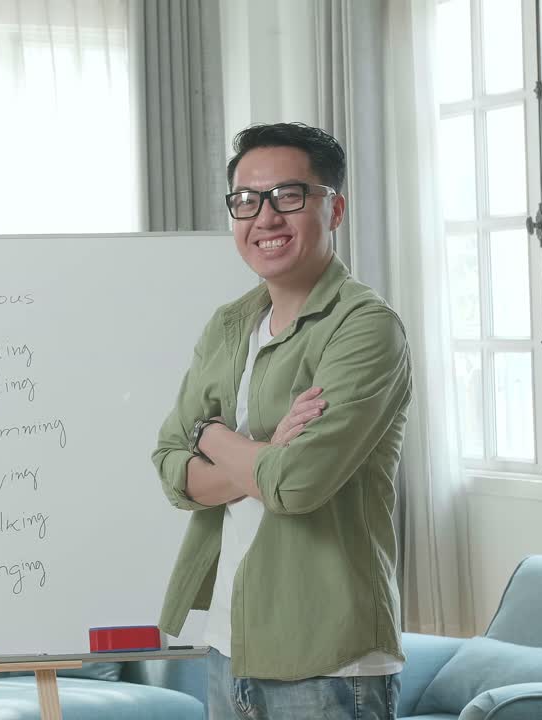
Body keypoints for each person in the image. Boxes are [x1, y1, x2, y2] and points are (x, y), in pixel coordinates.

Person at [152, 122, 411, 719]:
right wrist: (267, 447)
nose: (264, 217)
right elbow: (170, 465)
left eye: (288, 196)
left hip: (328, 660)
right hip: (228, 644)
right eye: (246, 200)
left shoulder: (365, 328)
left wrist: (210, 437)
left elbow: (297, 486)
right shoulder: (229, 324)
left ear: (335, 208)